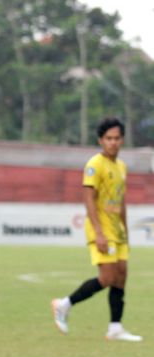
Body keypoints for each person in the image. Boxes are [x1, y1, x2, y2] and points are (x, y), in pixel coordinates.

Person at [51, 117, 141, 342]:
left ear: (122, 140)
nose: (113, 142)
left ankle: (115, 328)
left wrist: (126, 232)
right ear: (101, 140)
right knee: (108, 276)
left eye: (117, 138)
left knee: (121, 276)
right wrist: (99, 233)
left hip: (117, 231)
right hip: (101, 230)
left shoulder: (121, 167)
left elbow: (120, 201)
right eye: (108, 138)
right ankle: (64, 305)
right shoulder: (95, 165)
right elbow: (89, 200)